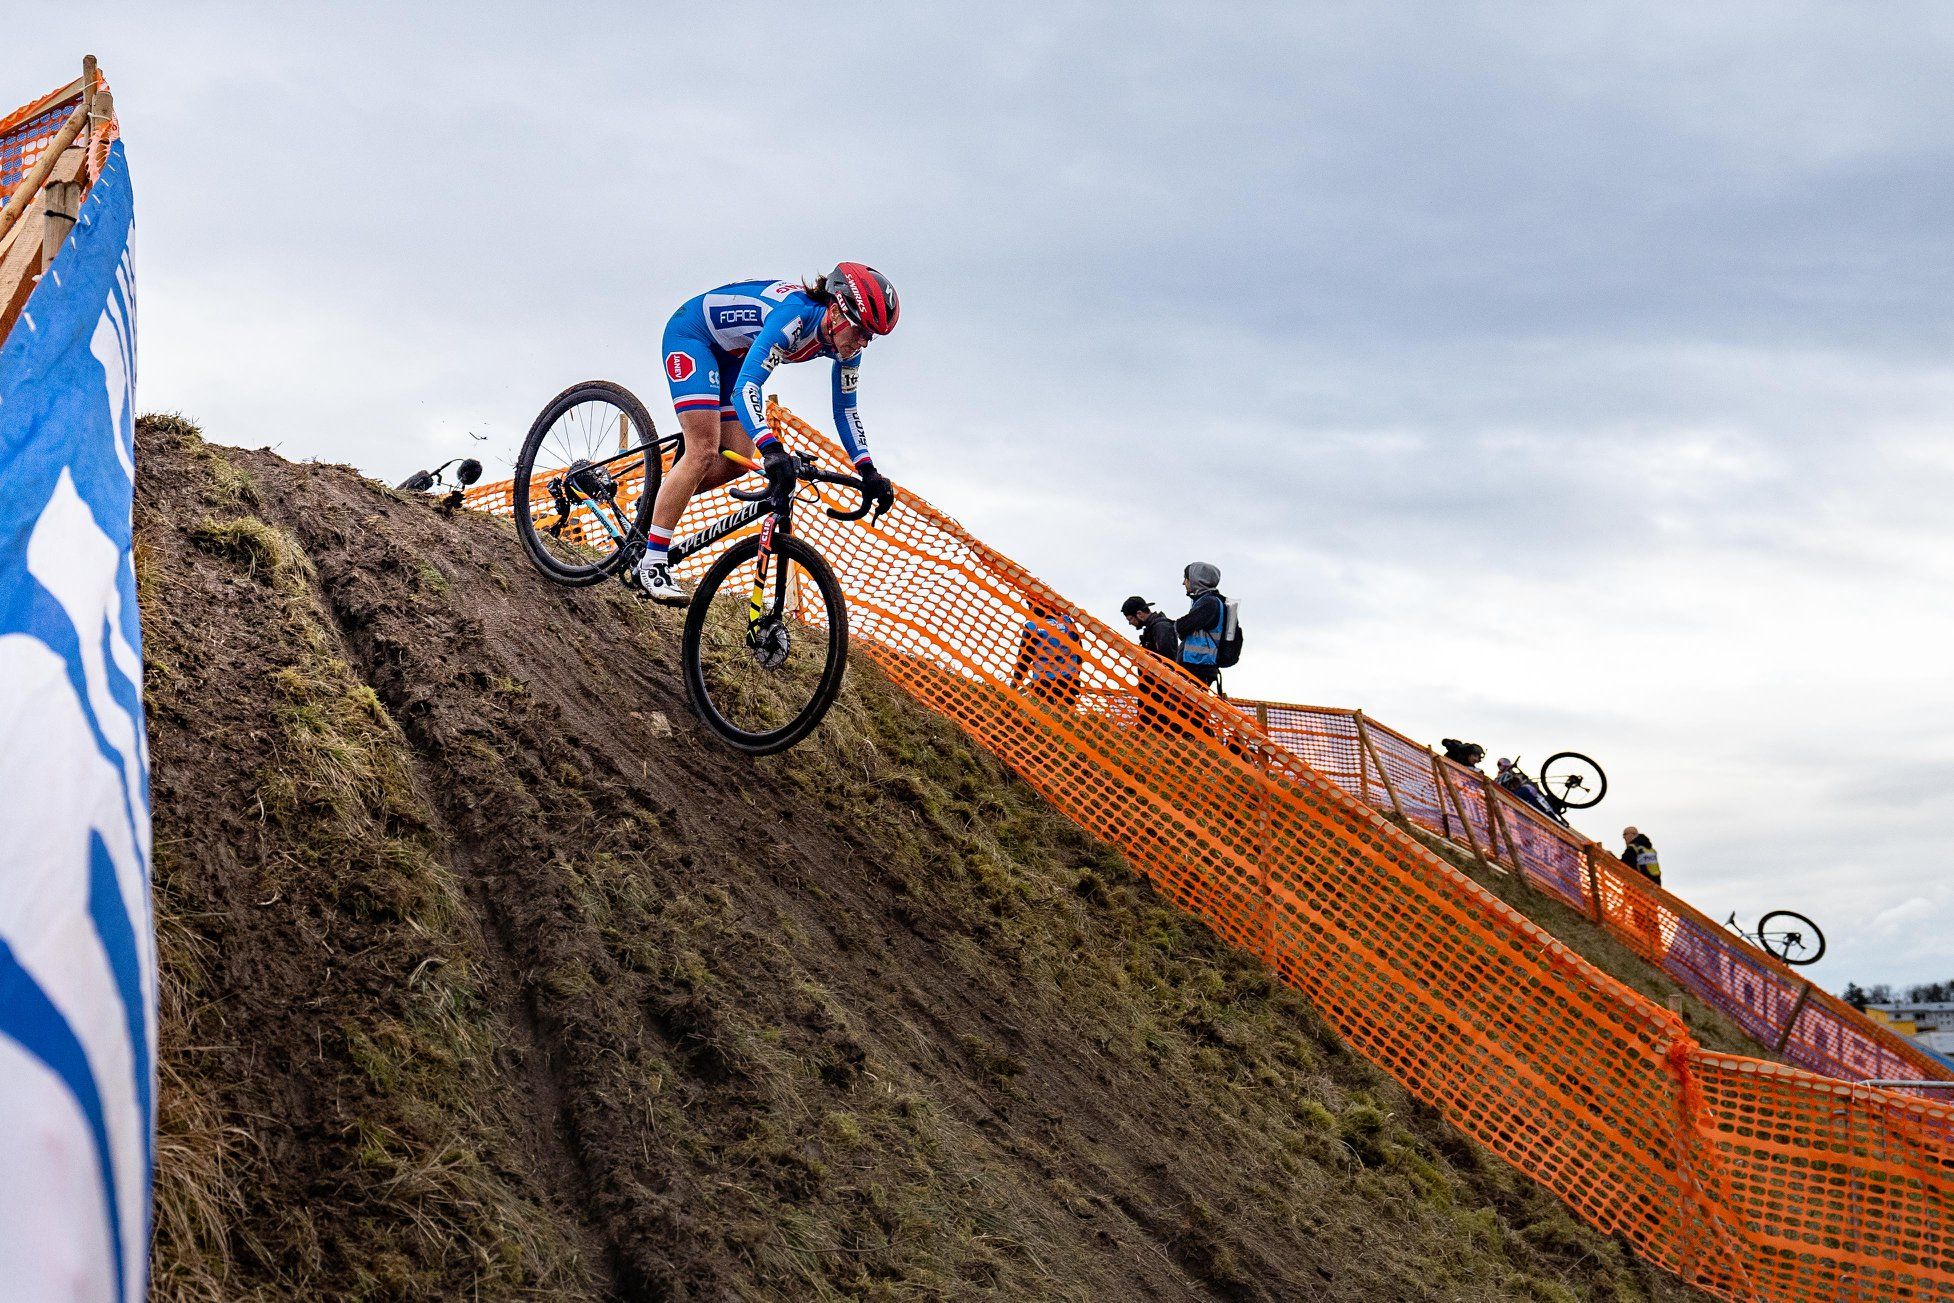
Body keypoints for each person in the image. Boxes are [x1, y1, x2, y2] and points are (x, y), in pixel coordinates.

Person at [630, 264, 900, 603]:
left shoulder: (844, 345)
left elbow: (846, 409)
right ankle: (652, 564)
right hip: (693, 336)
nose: (863, 341)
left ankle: (654, 505)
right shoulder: (795, 319)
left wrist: (867, 470)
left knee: (738, 461)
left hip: (733, 353)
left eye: (871, 336)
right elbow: (747, 389)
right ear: (835, 309)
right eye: (861, 330)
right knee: (703, 449)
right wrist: (772, 447)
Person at [1010, 600, 1083, 709]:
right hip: (1069, 681)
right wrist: (1076, 674)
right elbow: (1080, 651)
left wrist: (1015, 683)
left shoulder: (1032, 626)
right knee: (1066, 716)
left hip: (1043, 683)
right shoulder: (1067, 622)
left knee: (1043, 715)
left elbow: (1024, 659)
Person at [1175, 562, 1228, 689]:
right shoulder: (1208, 601)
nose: (1184, 583)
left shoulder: (1209, 602)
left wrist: (1177, 625)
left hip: (1198, 667)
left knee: (1182, 708)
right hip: (1198, 666)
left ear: (1196, 580)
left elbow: (1182, 626)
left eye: (1186, 578)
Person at [1121, 596, 1180, 660]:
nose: (1130, 623)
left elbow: (1167, 659)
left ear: (1139, 614)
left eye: (1130, 619)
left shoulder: (1161, 627)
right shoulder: (1152, 628)